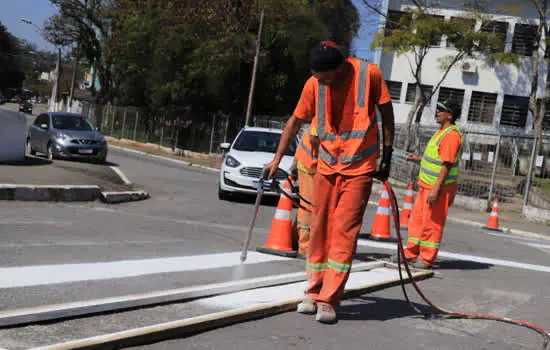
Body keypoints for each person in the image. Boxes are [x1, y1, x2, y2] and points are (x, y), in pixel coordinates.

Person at [263, 40, 395, 323]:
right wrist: (277, 159)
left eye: (324, 76)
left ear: (339, 68)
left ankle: (329, 299)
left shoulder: (368, 75)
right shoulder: (314, 84)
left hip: (359, 168)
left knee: (344, 232)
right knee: (318, 227)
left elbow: (387, 113)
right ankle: (312, 290)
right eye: (316, 76)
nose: (320, 81)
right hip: (325, 166)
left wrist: (388, 156)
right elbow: (295, 121)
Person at [401, 100, 463, 270]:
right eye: (438, 109)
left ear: (450, 115)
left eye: (441, 110)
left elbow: (446, 165)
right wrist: (419, 159)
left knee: (432, 224)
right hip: (425, 187)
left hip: (438, 189)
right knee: (417, 221)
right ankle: (411, 253)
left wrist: (436, 189)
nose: (437, 112)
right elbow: (438, 159)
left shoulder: (451, 135)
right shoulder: (441, 132)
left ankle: (427, 258)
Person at [293, 123, 319, 258]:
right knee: (308, 208)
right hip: (310, 166)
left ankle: (297, 239)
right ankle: (305, 246)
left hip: (310, 164)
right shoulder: (324, 113)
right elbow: (314, 139)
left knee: (308, 207)